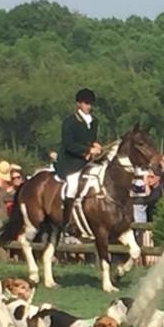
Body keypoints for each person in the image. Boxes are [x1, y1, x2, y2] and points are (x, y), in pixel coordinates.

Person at [57, 88, 102, 229]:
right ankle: (67, 220)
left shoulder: (94, 121)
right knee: (72, 186)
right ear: (79, 104)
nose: (89, 106)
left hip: (88, 162)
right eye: (86, 103)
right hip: (71, 163)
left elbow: (91, 140)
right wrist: (88, 150)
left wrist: (96, 146)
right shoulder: (69, 122)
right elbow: (68, 144)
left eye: (90, 104)